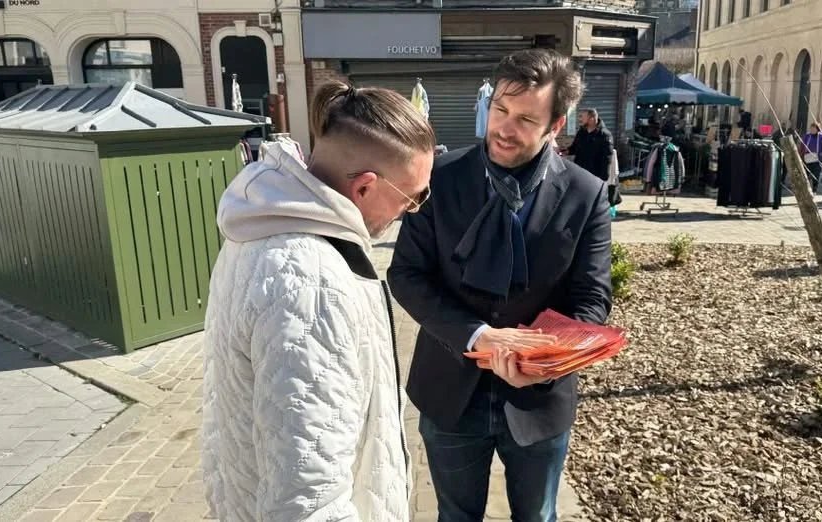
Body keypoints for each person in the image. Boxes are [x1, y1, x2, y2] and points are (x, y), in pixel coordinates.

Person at [388, 48, 613, 522]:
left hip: (540, 400)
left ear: (556, 125)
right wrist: (477, 336)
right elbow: (406, 274)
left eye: (526, 119)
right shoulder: (439, 179)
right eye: (500, 109)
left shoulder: (585, 193)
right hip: (450, 390)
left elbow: (592, 299)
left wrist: (543, 362)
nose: (504, 129)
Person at [202, 81, 435, 522]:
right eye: (412, 197)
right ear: (364, 187)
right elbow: (310, 500)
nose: (413, 210)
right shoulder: (312, 283)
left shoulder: (260, 225)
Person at [567, 107, 614, 183]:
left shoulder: (604, 135)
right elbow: (574, 148)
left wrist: (602, 180)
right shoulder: (581, 132)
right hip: (579, 174)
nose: (580, 119)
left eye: (583, 117)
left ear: (592, 119)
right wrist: (565, 151)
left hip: (594, 177)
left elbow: (606, 159)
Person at [801, 122, 822, 194]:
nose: (812, 130)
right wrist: (801, 154)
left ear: (817, 129)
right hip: (807, 159)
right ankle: (806, 190)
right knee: (806, 175)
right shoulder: (807, 136)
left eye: (813, 128)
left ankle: (814, 190)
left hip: (817, 159)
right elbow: (802, 146)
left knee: (816, 175)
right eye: (811, 128)